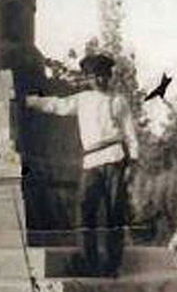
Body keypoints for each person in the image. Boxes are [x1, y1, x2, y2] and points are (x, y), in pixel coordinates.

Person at [26, 53, 139, 276]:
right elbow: (58, 106)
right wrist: (29, 101)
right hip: (91, 161)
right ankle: (90, 262)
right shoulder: (83, 99)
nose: (99, 81)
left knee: (114, 214)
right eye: (95, 76)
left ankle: (111, 265)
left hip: (115, 158)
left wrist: (132, 164)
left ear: (110, 76)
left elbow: (130, 133)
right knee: (85, 210)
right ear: (88, 78)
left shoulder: (118, 101)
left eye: (103, 76)